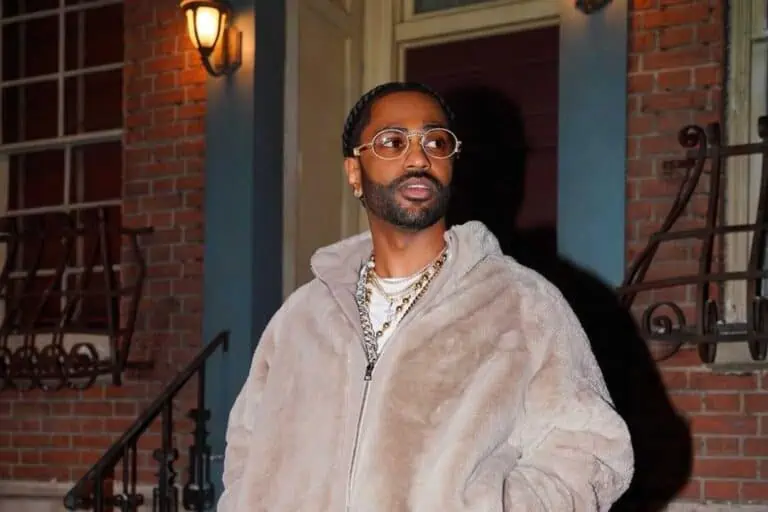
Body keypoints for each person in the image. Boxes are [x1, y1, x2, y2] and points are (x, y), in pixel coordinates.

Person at [218, 81, 634, 511]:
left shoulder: (521, 303)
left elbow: (591, 450)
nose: (419, 158)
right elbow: (247, 449)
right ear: (354, 172)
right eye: (392, 141)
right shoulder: (302, 316)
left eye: (436, 142)